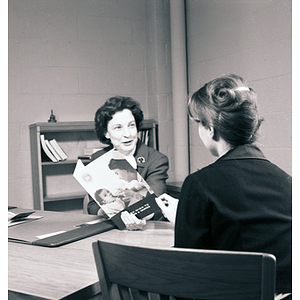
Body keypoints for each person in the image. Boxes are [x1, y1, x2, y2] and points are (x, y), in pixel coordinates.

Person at [156, 74, 292, 298]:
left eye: (198, 124)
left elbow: (187, 275)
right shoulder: (288, 182)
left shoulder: (199, 184)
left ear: (210, 129)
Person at [87, 96, 169, 230]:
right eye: (118, 127)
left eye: (131, 125)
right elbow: (92, 205)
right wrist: (107, 212)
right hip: (111, 228)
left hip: (148, 229)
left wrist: (139, 217)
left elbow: (157, 205)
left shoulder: (156, 160)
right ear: (107, 133)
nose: (128, 134)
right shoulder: (98, 158)